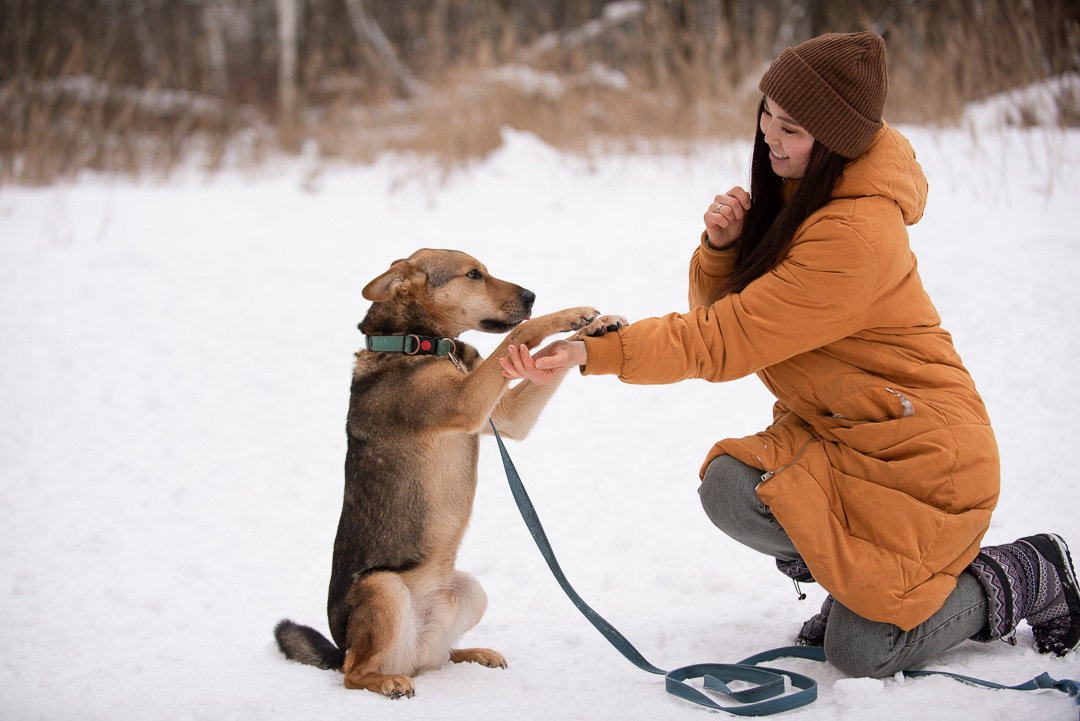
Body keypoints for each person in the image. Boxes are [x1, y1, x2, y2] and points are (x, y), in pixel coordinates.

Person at [499, 31, 1078, 678]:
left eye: (792, 128)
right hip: (848, 439)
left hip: (921, 463)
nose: (771, 137)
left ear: (834, 140)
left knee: (862, 653)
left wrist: (590, 351)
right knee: (731, 486)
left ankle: (1029, 572)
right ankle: (856, 575)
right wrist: (723, 250)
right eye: (767, 115)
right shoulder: (804, 195)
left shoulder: (853, 236)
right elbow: (725, 320)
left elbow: (719, 341)